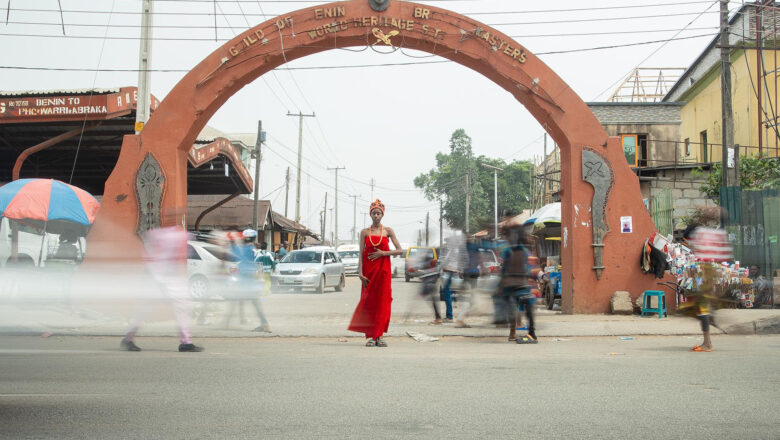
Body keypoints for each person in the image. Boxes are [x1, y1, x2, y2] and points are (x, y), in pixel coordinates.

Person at [120, 210, 203, 352]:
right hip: (166, 277)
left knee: (144, 309)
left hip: (153, 275)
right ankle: (185, 342)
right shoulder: (181, 235)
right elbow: (179, 257)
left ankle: (128, 338)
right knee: (180, 308)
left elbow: (147, 253)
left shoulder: (154, 234)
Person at [348, 199, 403, 347]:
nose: (376, 216)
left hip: (383, 272)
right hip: (368, 273)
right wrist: (359, 272)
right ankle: (371, 336)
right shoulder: (365, 232)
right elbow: (361, 253)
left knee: (383, 302)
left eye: (379, 213)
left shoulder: (388, 231)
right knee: (369, 303)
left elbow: (399, 250)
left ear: (382, 215)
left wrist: (383, 253)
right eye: (374, 213)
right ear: (370, 215)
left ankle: (380, 335)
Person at [682, 209, 733, 352]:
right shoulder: (715, 234)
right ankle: (708, 336)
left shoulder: (701, 234)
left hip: (706, 276)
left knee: (701, 310)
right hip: (710, 275)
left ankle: (708, 343)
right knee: (699, 309)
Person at [498, 222, 540, 343]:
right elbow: (528, 267)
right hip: (520, 284)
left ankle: (517, 332)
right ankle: (529, 332)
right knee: (526, 306)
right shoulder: (520, 250)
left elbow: (505, 269)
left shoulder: (512, 250)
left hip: (515, 284)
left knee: (517, 307)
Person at [226, 229, 271, 333]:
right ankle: (264, 324)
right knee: (252, 302)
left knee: (238, 300)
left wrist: (232, 241)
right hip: (252, 281)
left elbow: (236, 254)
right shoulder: (255, 250)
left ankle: (265, 324)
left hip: (245, 281)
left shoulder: (246, 249)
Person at [438, 234, 467, 323]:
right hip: (455, 273)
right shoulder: (458, 250)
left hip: (450, 272)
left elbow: (445, 261)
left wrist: (438, 267)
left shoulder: (452, 250)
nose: (446, 243)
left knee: (447, 294)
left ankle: (449, 316)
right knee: (454, 295)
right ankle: (456, 316)